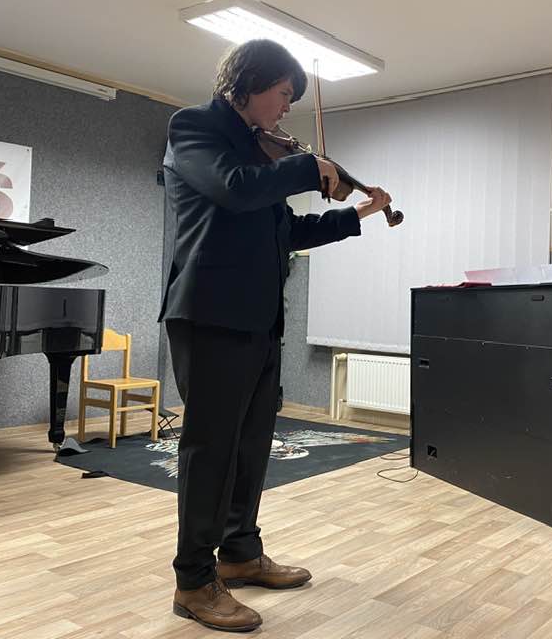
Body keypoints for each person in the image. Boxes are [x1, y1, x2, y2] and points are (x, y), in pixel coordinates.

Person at [159, 39, 392, 632]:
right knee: (211, 448)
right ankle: (193, 581)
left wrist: (356, 214)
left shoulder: (262, 156)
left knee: (251, 443)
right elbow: (234, 188)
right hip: (210, 314)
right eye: (284, 94)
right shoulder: (194, 129)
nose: (287, 109)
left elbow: (286, 231)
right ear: (249, 82)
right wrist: (307, 167)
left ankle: (239, 553)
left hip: (260, 319)